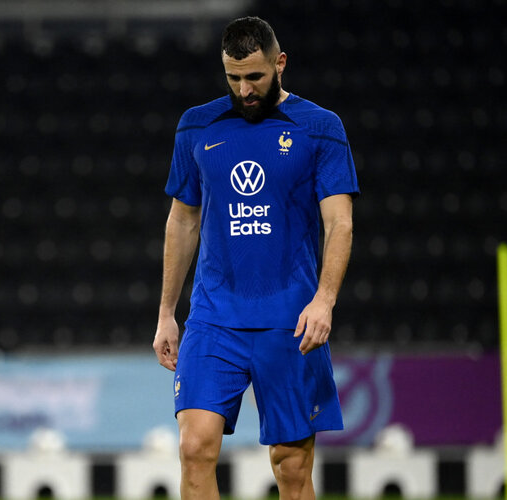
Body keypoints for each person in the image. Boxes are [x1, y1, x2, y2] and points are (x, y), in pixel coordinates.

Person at [152, 16, 359, 500]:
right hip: (213, 318)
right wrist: (166, 312)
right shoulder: (197, 125)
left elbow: (340, 224)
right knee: (194, 448)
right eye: (233, 78)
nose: (244, 90)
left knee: (291, 467)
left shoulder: (321, 128)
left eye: (255, 77)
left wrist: (325, 300)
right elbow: (182, 221)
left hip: (290, 322)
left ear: (280, 63)